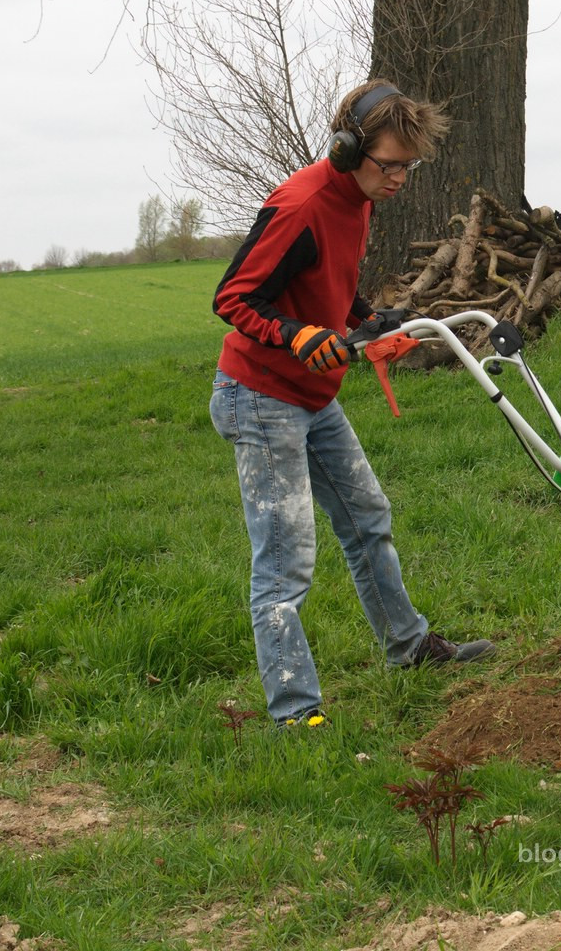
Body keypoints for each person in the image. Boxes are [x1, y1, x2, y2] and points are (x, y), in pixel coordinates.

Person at [209, 79, 493, 728]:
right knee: (285, 563)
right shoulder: (301, 205)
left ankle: (410, 645)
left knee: (368, 516)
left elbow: (328, 285)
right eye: (388, 164)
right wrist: (296, 334)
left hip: (312, 396)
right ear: (346, 148)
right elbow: (233, 298)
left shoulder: (359, 201)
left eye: (407, 166)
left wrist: (367, 320)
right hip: (258, 396)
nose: (398, 177)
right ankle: (295, 712)